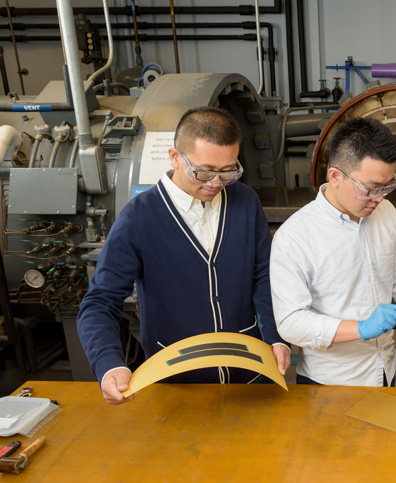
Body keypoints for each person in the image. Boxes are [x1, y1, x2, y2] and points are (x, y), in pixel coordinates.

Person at [77, 106, 290, 405]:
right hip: (178, 385)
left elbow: (263, 275)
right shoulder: (138, 219)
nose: (216, 183)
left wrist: (276, 336)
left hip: (251, 376)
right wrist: (108, 363)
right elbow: (100, 302)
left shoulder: (244, 201)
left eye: (228, 171)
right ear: (175, 157)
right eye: (203, 171)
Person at [269, 117, 396, 387]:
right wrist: (362, 328)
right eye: (370, 189)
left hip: (385, 370)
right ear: (335, 176)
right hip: (331, 380)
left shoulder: (386, 213)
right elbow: (292, 322)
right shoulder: (295, 237)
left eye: (387, 186)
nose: (379, 198)